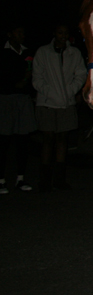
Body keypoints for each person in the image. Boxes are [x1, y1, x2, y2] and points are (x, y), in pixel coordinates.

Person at [32, 23, 87, 191]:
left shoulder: (74, 53)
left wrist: (70, 91)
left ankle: (59, 179)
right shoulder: (43, 52)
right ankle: (44, 180)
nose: (63, 35)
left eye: (65, 33)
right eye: (60, 32)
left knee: (63, 139)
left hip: (66, 102)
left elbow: (81, 74)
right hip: (47, 103)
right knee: (48, 140)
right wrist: (50, 92)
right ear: (54, 33)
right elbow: (37, 77)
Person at [0, 23, 37, 193]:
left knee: (23, 140)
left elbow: (32, 72)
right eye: (18, 31)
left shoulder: (28, 52)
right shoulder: (3, 52)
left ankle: (20, 179)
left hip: (23, 99)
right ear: (10, 34)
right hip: (6, 99)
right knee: (4, 140)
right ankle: (1, 180)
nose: (22, 34)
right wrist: (12, 84)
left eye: (23, 31)